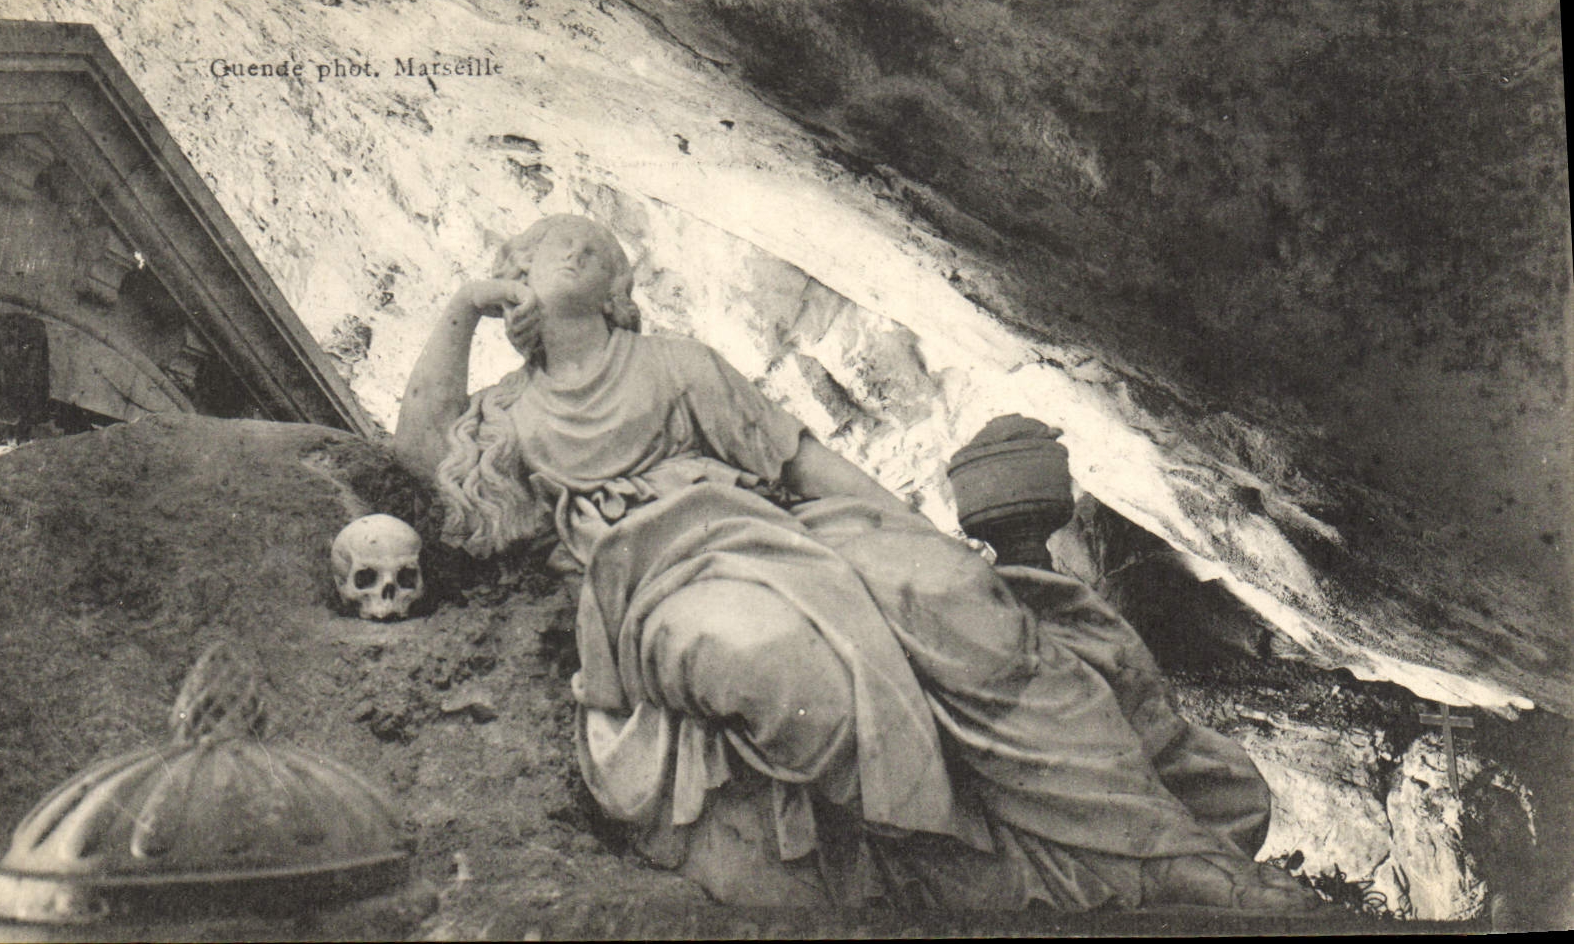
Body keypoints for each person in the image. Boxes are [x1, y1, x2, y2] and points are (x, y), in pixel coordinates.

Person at [393, 215, 1319, 914]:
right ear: (513, 282)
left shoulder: (676, 364)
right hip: (655, 584)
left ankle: (1161, 849)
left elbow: (802, 464)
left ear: (615, 289)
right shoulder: (508, 412)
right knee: (770, 658)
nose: (573, 245)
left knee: (954, 595)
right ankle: (951, 858)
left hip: (783, 530)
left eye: (591, 246)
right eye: (545, 247)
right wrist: (460, 305)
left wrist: (918, 532)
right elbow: (418, 459)